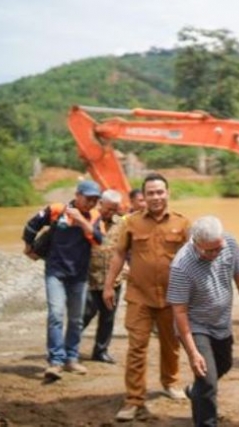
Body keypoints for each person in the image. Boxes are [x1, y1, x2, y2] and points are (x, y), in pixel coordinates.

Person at [103, 173, 191, 422]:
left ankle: (171, 382)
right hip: (139, 296)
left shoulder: (182, 224)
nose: (155, 197)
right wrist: (109, 285)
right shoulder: (130, 222)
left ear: (168, 193)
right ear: (143, 196)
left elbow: (192, 260)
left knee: (171, 344)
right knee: (137, 347)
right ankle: (133, 400)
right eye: (150, 193)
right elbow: (119, 254)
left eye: (160, 192)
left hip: (172, 297)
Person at [167, 216, 239, 427]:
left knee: (224, 365)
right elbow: (179, 312)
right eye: (209, 251)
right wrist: (192, 352)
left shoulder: (229, 243)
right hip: (196, 326)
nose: (215, 254)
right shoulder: (181, 265)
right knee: (208, 381)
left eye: (218, 248)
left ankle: (195, 391)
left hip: (221, 322)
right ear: (195, 243)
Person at [22, 179, 103, 381]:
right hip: (55, 272)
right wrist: (29, 246)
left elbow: (99, 240)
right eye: (88, 199)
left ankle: (71, 359)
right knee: (56, 315)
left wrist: (82, 220)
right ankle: (56, 361)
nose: (91, 203)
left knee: (75, 320)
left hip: (79, 275)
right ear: (77, 195)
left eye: (95, 200)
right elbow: (32, 225)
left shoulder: (94, 216)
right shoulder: (57, 210)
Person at [82, 189, 123, 364]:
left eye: (115, 209)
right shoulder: (88, 220)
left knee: (108, 316)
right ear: (100, 204)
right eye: (108, 209)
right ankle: (64, 348)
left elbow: (126, 248)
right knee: (85, 314)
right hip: (90, 278)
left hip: (113, 279)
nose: (111, 213)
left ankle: (100, 351)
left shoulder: (121, 223)